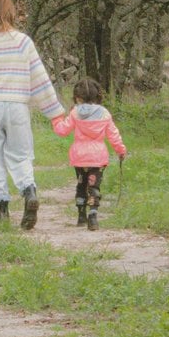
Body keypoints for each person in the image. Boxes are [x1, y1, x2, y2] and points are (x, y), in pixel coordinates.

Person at [0, 0, 65, 229]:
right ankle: (29, 192)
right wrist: (54, 111)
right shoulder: (23, 42)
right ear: (11, 11)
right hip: (17, 105)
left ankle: (2, 210)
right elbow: (39, 78)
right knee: (21, 154)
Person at [51, 77, 127, 231]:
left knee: (81, 185)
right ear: (97, 95)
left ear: (78, 97)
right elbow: (113, 135)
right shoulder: (104, 113)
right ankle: (93, 216)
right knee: (94, 186)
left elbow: (62, 130)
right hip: (97, 157)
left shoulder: (75, 113)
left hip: (79, 157)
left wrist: (56, 118)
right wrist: (121, 150)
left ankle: (81, 216)